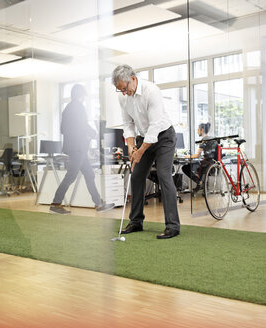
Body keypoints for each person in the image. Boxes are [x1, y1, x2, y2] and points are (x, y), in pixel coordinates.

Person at [112, 64, 180, 239]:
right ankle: (136, 222)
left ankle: (172, 226)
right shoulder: (123, 98)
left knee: (164, 176)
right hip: (144, 137)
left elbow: (155, 126)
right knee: (136, 176)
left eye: (125, 88)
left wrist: (140, 151)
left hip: (164, 136)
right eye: (121, 90)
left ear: (133, 79)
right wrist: (130, 146)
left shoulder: (152, 91)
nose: (124, 93)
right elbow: (128, 124)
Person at [49, 84, 115, 215]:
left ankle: (99, 204)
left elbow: (64, 129)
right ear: (81, 94)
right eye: (84, 95)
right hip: (77, 148)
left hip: (77, 148)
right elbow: (83, 125)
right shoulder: (78, 107)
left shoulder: (67, 108)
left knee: (89, 174)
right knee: (71, 175)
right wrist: (93, 133)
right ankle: (55, 203)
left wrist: (86, 133)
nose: (85, 98)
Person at [181, 122, 214, 192]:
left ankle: (199, 182)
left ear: (202, 130)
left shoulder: (204, 140)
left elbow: (197, 155)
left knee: (185, 167)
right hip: (212, 163)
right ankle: (200, 184)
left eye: (198, 130)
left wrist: (186, 156)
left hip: (206, 165)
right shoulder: (211, 138)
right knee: (194, 165)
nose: (197, 131)